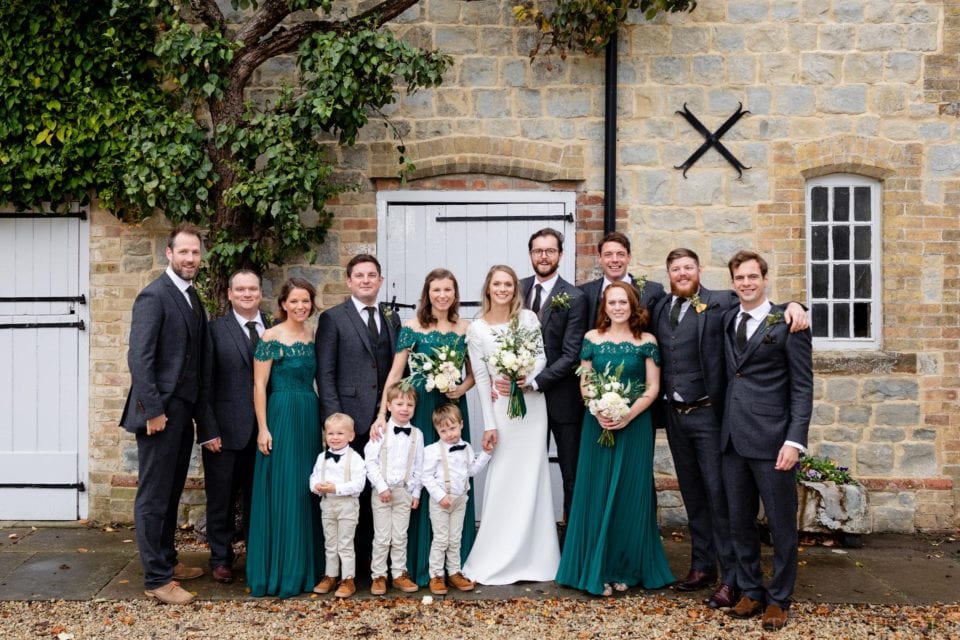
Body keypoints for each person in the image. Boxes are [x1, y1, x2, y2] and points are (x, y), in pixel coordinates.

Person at [651, 248, 809, 607]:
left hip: (712, 416)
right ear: (668, 273)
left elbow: (767, 307)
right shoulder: (660, 306)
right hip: (675, 416)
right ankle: (704, 566)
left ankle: (734, 578)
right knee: (695, 496)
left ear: (700, 270)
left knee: (723, 500)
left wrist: (796, 305)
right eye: (675, 268)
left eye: (688, 267)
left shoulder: (721, 302)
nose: (682, 273)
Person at [556, 281, 673, 596]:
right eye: (612, 302)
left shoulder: (646, 341)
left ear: (633, 305)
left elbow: (653, 386)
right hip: (597, 424)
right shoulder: (591, 338)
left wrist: (627, 414)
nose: (618, 307)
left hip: (635, 425)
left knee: (629, 494)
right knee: (596, 492)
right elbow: (585, 381)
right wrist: (598, 410)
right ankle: (598, 568)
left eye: (623, 302)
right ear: (604, 307)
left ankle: (626, 568)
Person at [721, 251, 813, 631]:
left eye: (752, 277)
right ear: (732, 283)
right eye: (739, 278)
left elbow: (803, 387)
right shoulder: (728, 318)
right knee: (739, 521)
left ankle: (779, 599)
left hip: (773, 439)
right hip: (732, 439)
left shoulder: (789, 323)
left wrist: (794, 441)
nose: (746, 283)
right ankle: (751, 591)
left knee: (780, 524)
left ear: (765, 279)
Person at [120, 223, 208, 606]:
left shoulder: (191, 296)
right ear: (169, 253)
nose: (190, 258)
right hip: (159, 413)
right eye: (183, 251)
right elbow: (139, 359)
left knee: (171, 491)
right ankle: (156, 578)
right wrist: (153, 411)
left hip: (182, 410)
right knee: (154, 495)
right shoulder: (154, 296)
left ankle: (167, 561)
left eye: (195, 252)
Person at [370, 268, 476, 586]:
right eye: (436, 290)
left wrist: (461, 388)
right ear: (427, 294)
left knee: (451, 474)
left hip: (451, 409)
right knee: (420, 475)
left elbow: (474, 374)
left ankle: (454, 566)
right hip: (420, 408)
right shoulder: (412, 327)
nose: (442, 295)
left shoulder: (465, 328)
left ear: (455, 294)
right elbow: (396, 373)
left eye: (447, 290)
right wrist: (382, 414)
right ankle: (416, 565)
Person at [462, 265, 560, 584]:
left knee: (533, 475)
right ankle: (496, 554)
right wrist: (489, 424)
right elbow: (481, 379)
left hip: (532, 406)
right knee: (504, 476)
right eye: (497, 284)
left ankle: (537, 557)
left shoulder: (528, 319)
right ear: (488, 289)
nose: (502, 289)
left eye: (508, 284)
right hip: (502, 409)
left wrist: (527, 378)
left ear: (514, 289)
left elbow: (541, 356)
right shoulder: (477, 329)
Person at [316, 254, 401, 580]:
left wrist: (393, 412)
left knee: (381, 490)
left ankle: (376, 565)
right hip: (349, 421)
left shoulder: (391, 317)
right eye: (360, 276)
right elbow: (325, 374)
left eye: (371, 275)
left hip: (384, 420)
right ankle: (350, 567)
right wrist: (334, 423)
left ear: (380, 280)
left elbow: (397, 368)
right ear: (349, 281)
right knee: (351, 491)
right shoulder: (333, 318)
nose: (366, 280)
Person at [246, 278, 323, 598]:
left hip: (308, 414)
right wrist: (263, 428)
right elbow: (259, 386)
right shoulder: (270, 336)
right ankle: (280, 569)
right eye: (294, 301)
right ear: (283, 304)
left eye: (305, 301)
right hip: (281, 414)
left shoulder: (313, 335)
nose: (300, 306)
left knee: (306, 488)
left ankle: (306, 567)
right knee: (285, 486)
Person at [197, 269, 266, 584]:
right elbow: (204, 383)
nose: (247, 294)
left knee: (258, 498)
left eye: (252, 289)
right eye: (240, 289)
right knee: (221, 499)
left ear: (260, 293)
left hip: (264, 432)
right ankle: (221, 558)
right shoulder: (214, 330)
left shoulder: (274, 329)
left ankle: (257, 556)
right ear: (229, 294)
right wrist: (207, 430)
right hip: (223, 431)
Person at [517, 228, 588, 522]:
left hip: (562, 401)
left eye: (550, 251)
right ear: (530, 254)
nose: (543, 256)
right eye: (538, 251)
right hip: (522, 401)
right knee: (525, 470)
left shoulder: (575, 297)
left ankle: (570, 536)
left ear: (560, 254)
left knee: (570, 472)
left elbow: (571, 355)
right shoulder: (517, 289)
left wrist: (536, 382)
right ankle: (528, 534)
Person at [422, 404, 492, 595]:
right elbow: (426, 476)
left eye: (452, 428)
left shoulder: (466, 447)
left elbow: (471, 471)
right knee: (441, 539)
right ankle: (436, 575)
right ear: (437, 431)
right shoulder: (433, 450)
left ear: (461, 424)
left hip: (460, 500)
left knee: (455, 539)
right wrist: (440, 496)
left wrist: (486, 454)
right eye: (443, 431)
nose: (449, 434)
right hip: (441, 502)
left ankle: (454, 572)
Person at [364, 383, 424, 595]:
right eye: (399, 404)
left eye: (410, 405)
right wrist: (381, 487)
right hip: (382, 493)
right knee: (382, 536)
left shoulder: (417, 434)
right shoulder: (380, 431)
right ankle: (379, 575)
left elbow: (419, 465)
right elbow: (370, 462)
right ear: (389, 406)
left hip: (404, 492)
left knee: (400, 536)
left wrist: (415, 492)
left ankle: (399, 574)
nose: (405, 408)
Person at [310, 413, 367, 599]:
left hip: (347, 505)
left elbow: (359, 485)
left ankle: (348, 578)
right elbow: (314, 477)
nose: (335, 437)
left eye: (340, 433)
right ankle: (330, 575)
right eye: (331, 433)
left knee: (345, 543)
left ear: (351, 436)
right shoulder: (322, 457)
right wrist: (316, 487)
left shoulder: (355, 458)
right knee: (330, 543)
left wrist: (336, 488)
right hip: (327, 504)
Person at [579, 231, 666, 332]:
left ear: (629, 257)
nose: (615, 260)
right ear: (600, 258)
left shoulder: (653, 291)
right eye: (608, 254)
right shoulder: (584, 293)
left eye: (620, 254)